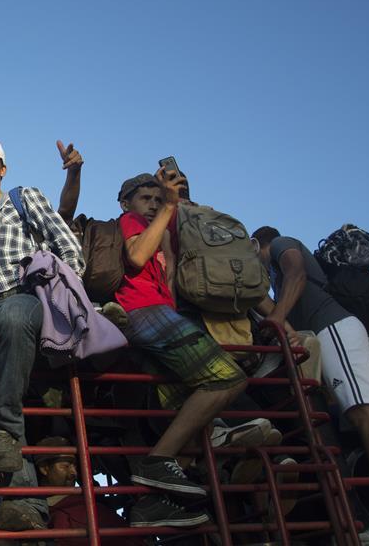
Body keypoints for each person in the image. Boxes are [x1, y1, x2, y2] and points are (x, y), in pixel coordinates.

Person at [0, 137, 84, 530]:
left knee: (12, 316)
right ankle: (19, 506)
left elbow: (66, 243)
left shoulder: (24, 196)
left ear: (2, 169)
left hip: (23, 299)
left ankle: (5, 426)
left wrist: (70, 292)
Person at [114, 170, 247, 528]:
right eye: (146, 198)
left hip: (160, 310)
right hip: (142, 310)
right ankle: (158, 460)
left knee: (186, 413)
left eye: (158, 198)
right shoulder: (129, 220)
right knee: (229, 379)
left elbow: (168, 272)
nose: (154, 204)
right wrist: (168, 207)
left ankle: (150, 503)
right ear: (127, 202)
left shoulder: (160, 229)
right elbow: (138, 258)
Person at [252, 226, 369, 543]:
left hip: (332, 328)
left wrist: (277, 316)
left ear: (256, 245)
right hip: (336, 332)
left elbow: (297, 272)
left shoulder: (281, 245)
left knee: (365, 414)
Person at [34, 436, 143, 546]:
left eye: (75, 466)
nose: (74, 472)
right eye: (66, 466)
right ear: (44, 469)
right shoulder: (73, 509)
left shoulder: (89, 510)